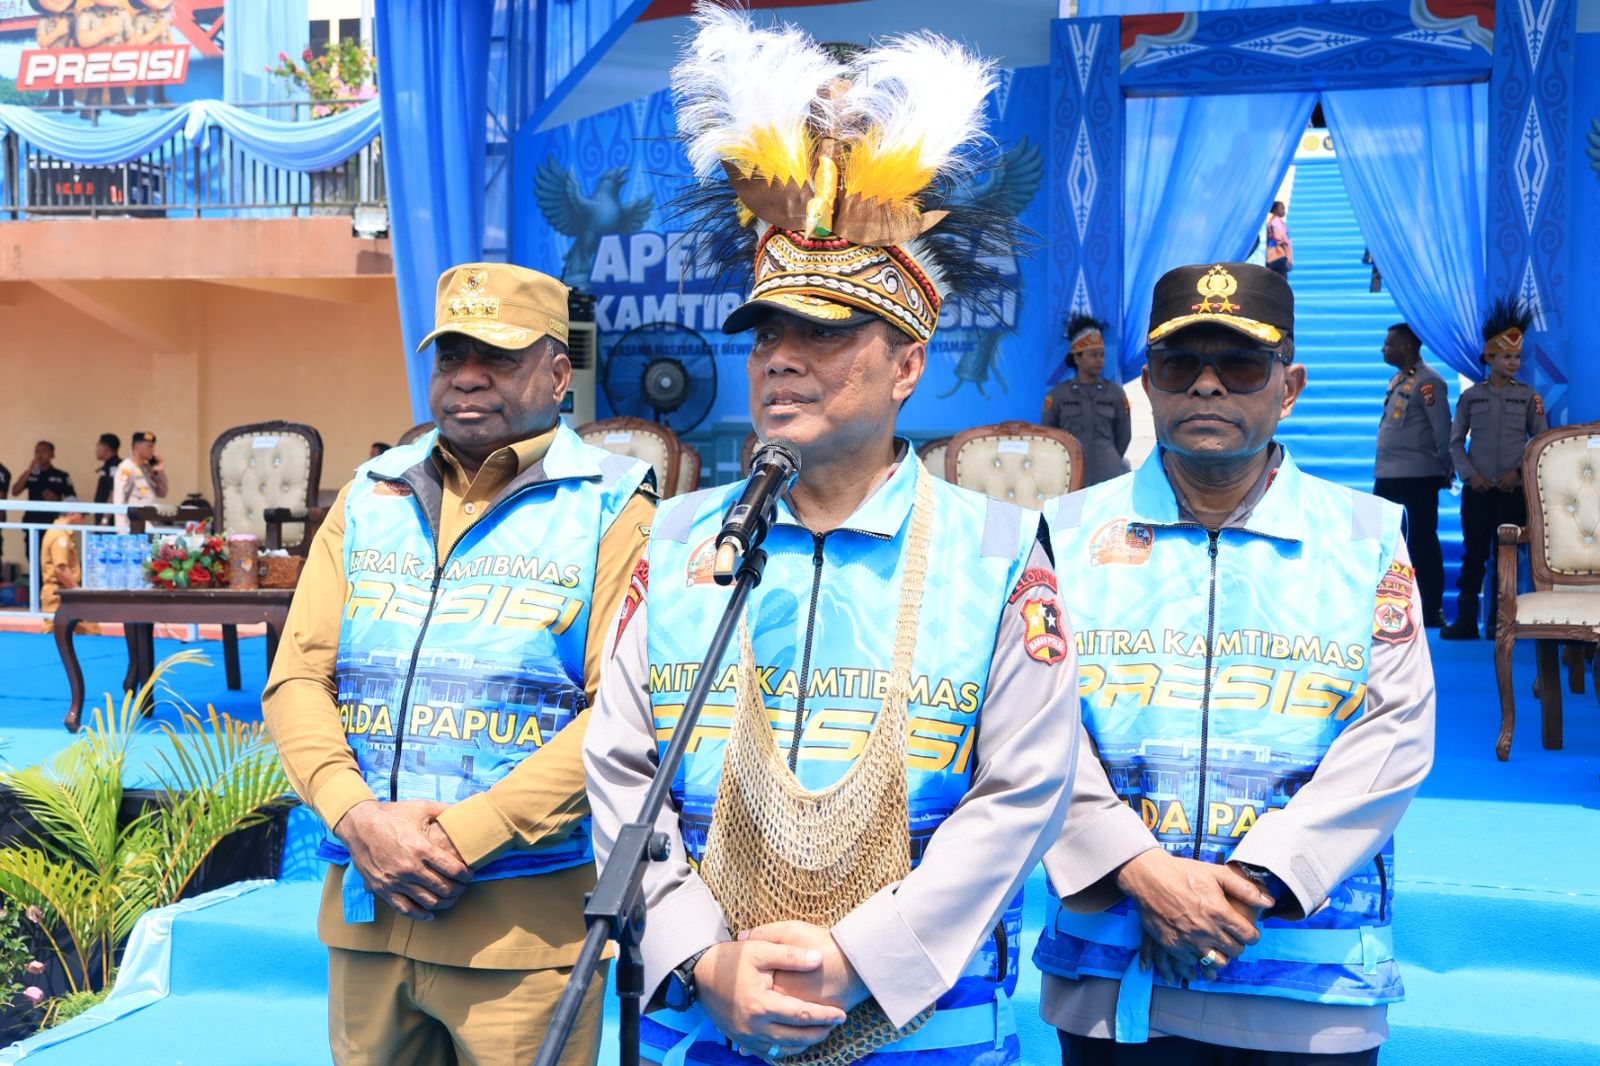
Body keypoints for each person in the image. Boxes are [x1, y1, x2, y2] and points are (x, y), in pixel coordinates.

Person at [583, 9, 1079, 1064]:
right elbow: (622, 766)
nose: (781, 356)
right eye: (767, 331)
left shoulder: (996, 554)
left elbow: (1025, 793)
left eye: (824, 331)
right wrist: (701, 959)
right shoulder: (681, 542)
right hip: (708, 1023)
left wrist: (862, 958)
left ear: (908, 365)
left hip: (923, 1030)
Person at [1035, 262, 1436, 1065]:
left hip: (1309, 979)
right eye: (1180, 364)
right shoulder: (1066, 534)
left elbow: (1394, 730)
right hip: (1114, 976)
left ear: (1290, 387)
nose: (1208, 385)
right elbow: (1032, 728)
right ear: (1148, 387)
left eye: (1242, 364)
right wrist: (1140, 870)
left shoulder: (1364, 537)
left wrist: (1259, 879)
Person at [262, 262, 655, 1066]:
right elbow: (298, 677)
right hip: (368, 908)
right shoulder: (370, 495)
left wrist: (463, 838)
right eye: (451, 356)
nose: (467, 378)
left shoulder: (611, 504)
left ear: (558, 375)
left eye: (498, 357)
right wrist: (358, 819)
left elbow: (624, 711)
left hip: (521, 932)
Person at [1441, 299, 1548, 640]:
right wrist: (1470, 475)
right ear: (1489, 358)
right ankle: (1465, 619)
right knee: (1473, 554)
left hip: (1511, 492)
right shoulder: (1472, 398)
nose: (1513, 363)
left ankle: (1500, 621)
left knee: (1506, 558)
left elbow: (1539, 442)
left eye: (1517, 357)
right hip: (1478, 490)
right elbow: (1455, 442)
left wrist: (1518, 473)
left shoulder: (1528, 397)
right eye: (1506, 357)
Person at [1373, 323, 1453, 627]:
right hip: (1388, 474)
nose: (1384, 349)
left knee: (1422, 542)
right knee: (1378, 538)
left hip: (1418, 476)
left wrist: (1446, 466)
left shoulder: (1429, 381)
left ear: (1406, 346)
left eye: (1388, 344)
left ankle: (1432, 610)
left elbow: (1442, 429)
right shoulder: (1398, 379)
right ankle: (1382, 606)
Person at [1041, 315, 1133, 486]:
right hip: (1071, 476)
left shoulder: (1115, 394)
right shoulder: (1058, 395)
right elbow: (1049, 435)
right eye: (1093, 355)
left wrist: (1108, 458)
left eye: (1102, 355)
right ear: (1077, 358)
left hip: (1108, 476)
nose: (1099, 360)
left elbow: (1124, 435)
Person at [11, 441, 77, 564]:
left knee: (52, 560)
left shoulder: (61, 476)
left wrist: (56, 499)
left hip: (53, 524)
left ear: (52, 455)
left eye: (44, 451)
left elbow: (73, 499)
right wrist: (29, 470)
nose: (40, 455)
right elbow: (15, 491)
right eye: (37, 451)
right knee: (32, 557)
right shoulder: (30, 475)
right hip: (32, 522)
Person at [37, 501, 87, 626]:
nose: (83, 520)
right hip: (59, 593)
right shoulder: (60, 535)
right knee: (56, 630)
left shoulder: (60, 532)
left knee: (89, 629)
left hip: (63, 591)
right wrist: (78, 592)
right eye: (82, 515)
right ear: (72, 513)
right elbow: (61, 569)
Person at [111, 431, 167, 529]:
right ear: (137, 447)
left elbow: (162, 492)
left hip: (150, 524)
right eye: (149, 446)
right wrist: (122, 530)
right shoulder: (126, 468)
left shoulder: (146, 468)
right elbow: (119, 500)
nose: (153, 450)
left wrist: (159, 472)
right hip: (135, 527)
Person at [93, 433, 122, 527]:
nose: (96, 450)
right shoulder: (108, 466)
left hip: (110, 522)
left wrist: (105, 519)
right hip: (104, 518)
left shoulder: (115, 466)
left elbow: (114, 492)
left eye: (98, 446)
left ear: (105, 447)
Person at [1266, 201, 1292, 277]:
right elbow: (1279, 239)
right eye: (1281, 209)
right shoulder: (1276, 222)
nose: (1284, 211)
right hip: (1278, 256)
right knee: (1282, 280)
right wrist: (1288, 255)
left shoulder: (1273, 221)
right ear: (1275, 210)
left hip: (1272, 257)